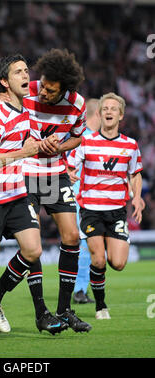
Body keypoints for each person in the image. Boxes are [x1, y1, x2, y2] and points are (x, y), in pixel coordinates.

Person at [0, 54, 67, 342]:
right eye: (17, 72)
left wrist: (44, 145)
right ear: (5, 82)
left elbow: (28, 144)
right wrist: (25, 152)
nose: (24, 75)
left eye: (25, 70)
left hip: (15, 191)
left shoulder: (24, 111)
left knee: (33, 251)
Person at [0, 48, 91, 333]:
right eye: (42, 85)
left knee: (71, 237)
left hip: (56, 175)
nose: (43, 92)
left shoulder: (77, 105)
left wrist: (59, 146)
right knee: (32, 246)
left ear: (65, 90)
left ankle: (65, 310)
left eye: (51, 90)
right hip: (25, 174)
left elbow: (77, 138)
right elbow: (1, 104)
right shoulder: (27, 91)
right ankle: (41, 313)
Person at [68, 92, 144, 319]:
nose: (109, 111)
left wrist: (137, 198)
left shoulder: (130, 145)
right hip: (91, 210)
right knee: (98, 259)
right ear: (99, 114)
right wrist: (70, 173)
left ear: (120, 115)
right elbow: (70, 164)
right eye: (105, 108)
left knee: (118, 263)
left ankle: (94, 288)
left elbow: (136, 174)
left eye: (113, 109)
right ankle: (100, 305)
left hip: (117, 212)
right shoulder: (86, 141)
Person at [69, 99, 100, 304]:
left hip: (85, 201)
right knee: (86, 245)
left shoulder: (81, 137)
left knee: (86, 245)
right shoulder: (86, 139)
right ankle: (79, 289)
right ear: (96, 114)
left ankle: (79, 288)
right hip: (81, 201)